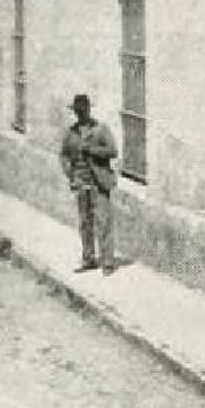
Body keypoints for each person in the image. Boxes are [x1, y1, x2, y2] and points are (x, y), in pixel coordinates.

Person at [58, 94, 118, 274]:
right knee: (85, 222)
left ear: (89, 110)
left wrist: (91, 150)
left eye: (83, 111)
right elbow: (64, 156)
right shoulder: (71, 133)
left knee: (103, 221)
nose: (80, 114)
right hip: (81, 182)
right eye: (78, 112)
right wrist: (71, 175)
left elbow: (113, 151)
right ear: (75, 112)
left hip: (99, 183)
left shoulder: (101, 129)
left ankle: (107, 262)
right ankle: (89, 258)